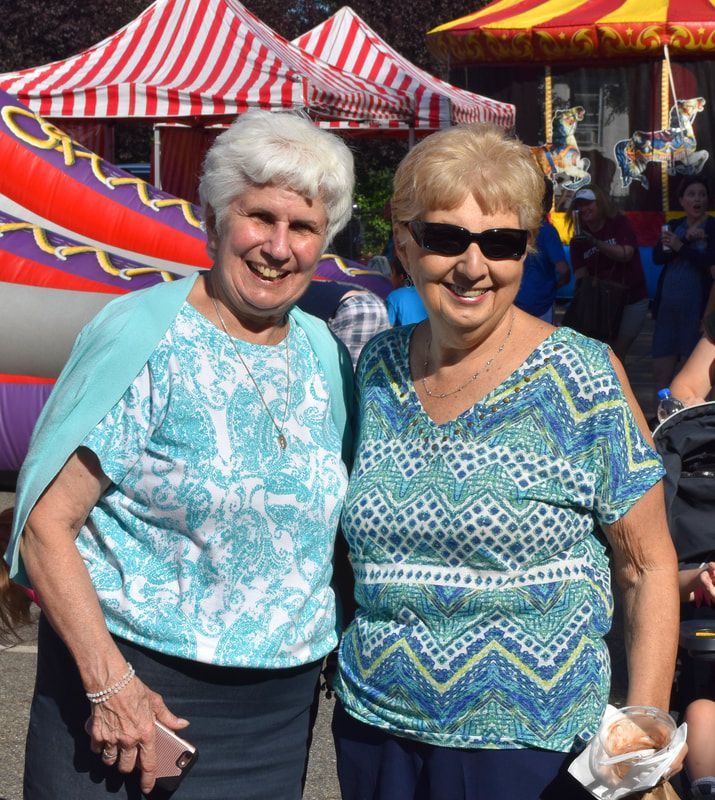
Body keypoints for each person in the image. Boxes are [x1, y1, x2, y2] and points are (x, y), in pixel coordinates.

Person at [3, 109, 355, 800]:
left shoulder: (324, 353)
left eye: (303, 227)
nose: (278, 247)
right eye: (259, 217)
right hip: (130, 711)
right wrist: (111, 684)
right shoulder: (145, 333)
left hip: (274, 721)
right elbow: (47, 522)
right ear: (215, 217)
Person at [331, 123, 683, 800]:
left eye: (500, 242)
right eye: (444, 238)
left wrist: (643, 724)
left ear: (525, 251)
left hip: (529, 748)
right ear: (402, 243)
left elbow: (645, 563)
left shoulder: (581, 375)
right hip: (376, 730)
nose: (472, 267)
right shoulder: (376, 367)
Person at [567, 185, 649, 362]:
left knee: (617, 353)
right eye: (579, 205)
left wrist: (595, 242)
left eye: (588, 204)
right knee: (603, 353)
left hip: (631, 298)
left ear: (600, 203)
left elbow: (626, 254)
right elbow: (581, 276)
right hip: (603, 303)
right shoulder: (577, 241)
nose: (584, 209)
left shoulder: (618, 223)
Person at [652, 177, 715, 393]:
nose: (697, 199)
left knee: (692, 378)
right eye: (691, 194)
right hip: (668, 309)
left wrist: (681, 246)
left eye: (702, 194)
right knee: (661, 374)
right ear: (682, 200)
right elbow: (658, 257)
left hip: (697, 310)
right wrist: (686, 240)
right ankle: (661, 421)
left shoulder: (712, 226)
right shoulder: (674, 225)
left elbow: (710, 264)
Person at [514, 178, 570, 323]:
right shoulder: (547, 231)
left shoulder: (514, 226)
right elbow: (563, 269)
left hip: (514, 300)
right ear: (547, 201)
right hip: (541, 303)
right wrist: (558, 284)